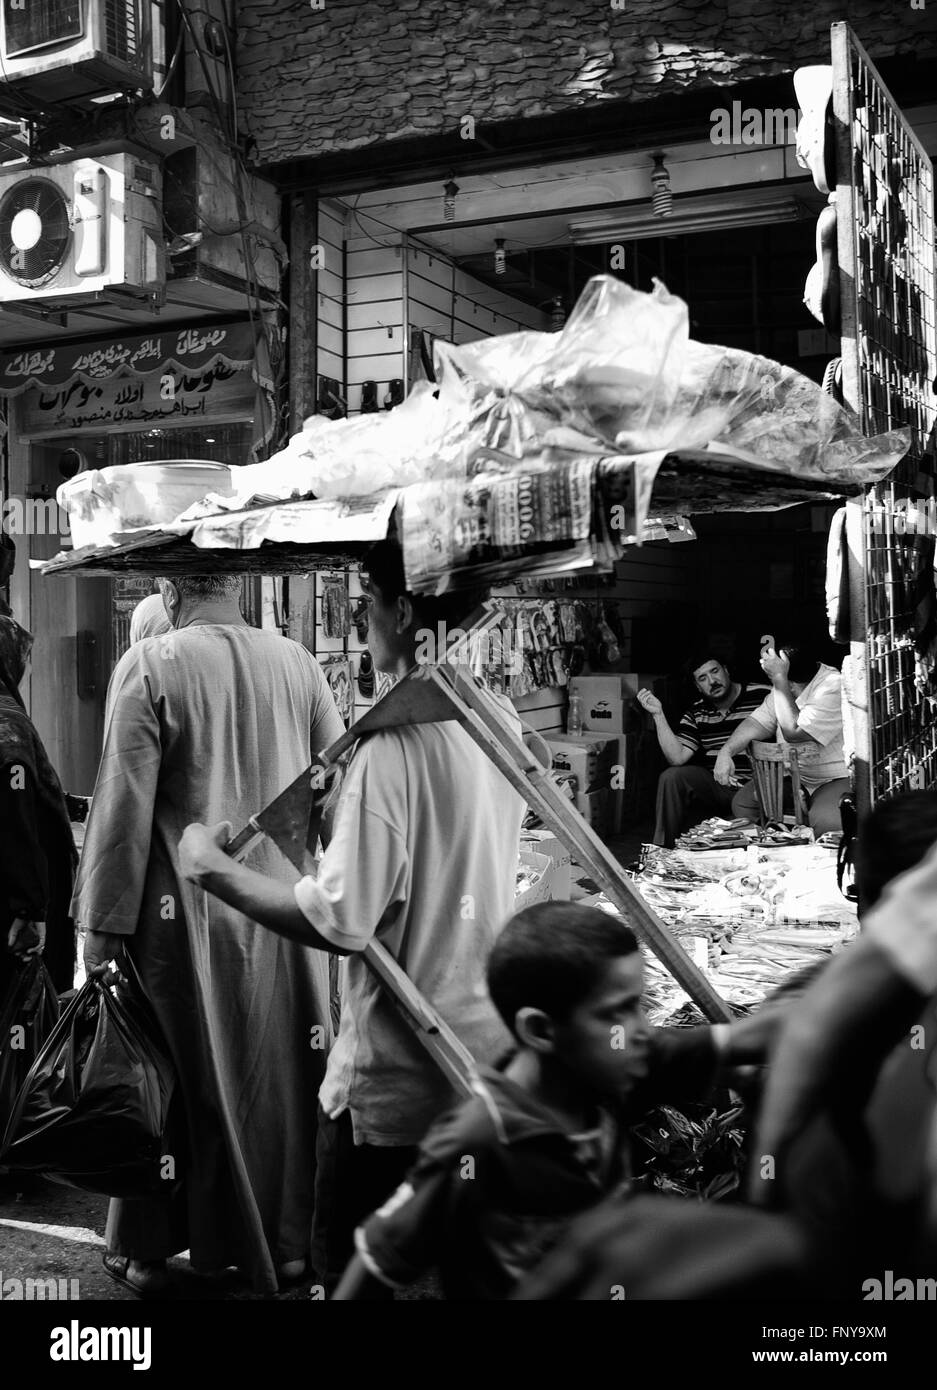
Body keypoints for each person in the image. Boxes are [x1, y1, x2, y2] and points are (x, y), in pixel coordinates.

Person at [178, 539, 528, 1292]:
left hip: (396, 1088)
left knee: (358, 1282)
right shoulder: (492, 715)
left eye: (365, 606)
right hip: (479, 1058)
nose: (362, 625)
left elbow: (340, 920)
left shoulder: (392, 748)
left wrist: (214, 872)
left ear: (403, 612)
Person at [74, 572, 345, 1298]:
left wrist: (98, 931)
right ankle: (287, 1247)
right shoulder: (298, 662)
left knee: (168, 1085)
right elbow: (331, 792)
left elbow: (121, 810)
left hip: (181, 927)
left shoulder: (150, 664)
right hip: (284, 911)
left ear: (168, 592)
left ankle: (147, 1252)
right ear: (240, 588)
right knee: (287, 1079)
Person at [331, 902, 785, 1300]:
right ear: (541, 1030)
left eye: (639, 1005)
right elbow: (377, 1261)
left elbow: (742, 1040)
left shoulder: (609, 1067)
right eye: (617, 1012)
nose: (642, 1028)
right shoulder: (480, 1140)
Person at [0, 614, 77, 999]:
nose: (28, 669)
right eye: (25, 658)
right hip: (12, 907)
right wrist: (30, 908)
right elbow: (15, 809)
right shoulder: (9, 728)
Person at [714, 639, 850, 836]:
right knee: (743, 803)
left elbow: (794, 732)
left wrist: (779, 679)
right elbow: (757, 723)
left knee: (826, 821)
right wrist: (726, 752)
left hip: (834, 779)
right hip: (796, 778)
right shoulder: (784, 685)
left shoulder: (832, 685)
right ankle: (773, 856)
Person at [638, 651, 769, 847]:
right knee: (672, 776)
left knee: (741, 802)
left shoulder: (763, 695)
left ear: (726, 670)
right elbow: (677, 757)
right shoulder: (697, 712)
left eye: (715, 671)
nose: (712, 681)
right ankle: (662, 849)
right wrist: (658, 714)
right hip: (719, 785)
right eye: (703, 678)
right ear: (698, 687)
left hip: (760, 784)